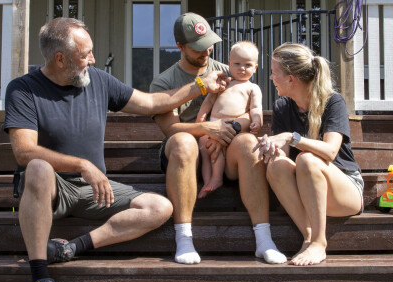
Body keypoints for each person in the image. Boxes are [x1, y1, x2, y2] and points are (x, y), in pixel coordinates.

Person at [5, 17, 228, 282]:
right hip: (52, 188)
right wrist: (83, 165)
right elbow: (23, 151)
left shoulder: (97, 80)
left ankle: (71, 248)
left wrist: (200, 85)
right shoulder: (24, 89)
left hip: (95, 190)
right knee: (38, 167)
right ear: (60, 59)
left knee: (160, 207)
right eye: (85, 54)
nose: (93, 60)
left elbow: (152, 102)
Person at [151, 13, 286, 265]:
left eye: (209, 44)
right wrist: (208, 129)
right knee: (183, 142)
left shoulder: (231, 69)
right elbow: (170, 129)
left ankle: (264, 239)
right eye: (198, 47)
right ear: (180, 47)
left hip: (228, 144)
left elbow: (249, 112)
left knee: (248, 143)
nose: (206, 52)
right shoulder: (164, 82)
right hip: (187, 151)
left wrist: (232, 128)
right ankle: (184, 237)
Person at [254, 43, 364, 266]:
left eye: (275, 73)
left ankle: (319, 242)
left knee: (307, 159)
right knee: (276, 165)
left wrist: (291, 137)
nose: (271, 78)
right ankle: (309, 238)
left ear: (291, 79)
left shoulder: (333, 101)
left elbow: (331, 151)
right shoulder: (283, 105)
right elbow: (282, 158)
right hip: (306, 189)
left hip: (344, 189)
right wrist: (270, 146)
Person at [194, 41, 263, 199]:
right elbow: (209, 102)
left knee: (218, 149)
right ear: (229, 64)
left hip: (233, 129)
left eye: (247, 65)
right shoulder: (223, 83)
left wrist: (257, 120)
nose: (242, 68)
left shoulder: (252, 88)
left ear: (255, 68)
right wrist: (201, 117)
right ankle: (207, 180)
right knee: (205, 146)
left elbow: (255, 108)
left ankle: (216, 178)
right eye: (237, 64)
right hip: (213, 125)